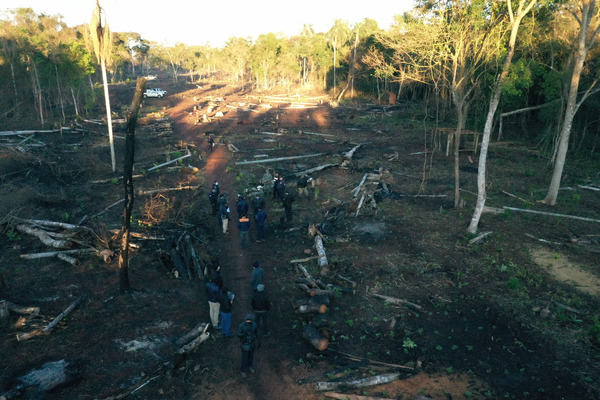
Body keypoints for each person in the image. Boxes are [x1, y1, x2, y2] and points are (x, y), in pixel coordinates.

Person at [237, 314, 258, 378]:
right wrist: (244, 333)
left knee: (251, 357)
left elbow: (256, 332)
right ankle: (243, 370)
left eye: (250, 320)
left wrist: (257, 340)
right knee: (244, 358)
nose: (248, 321)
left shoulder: (254, 324)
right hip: (245, 344)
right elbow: (238, 334)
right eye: (247, 320)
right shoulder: (242, 326)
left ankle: (250, 366)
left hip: (252, 344)